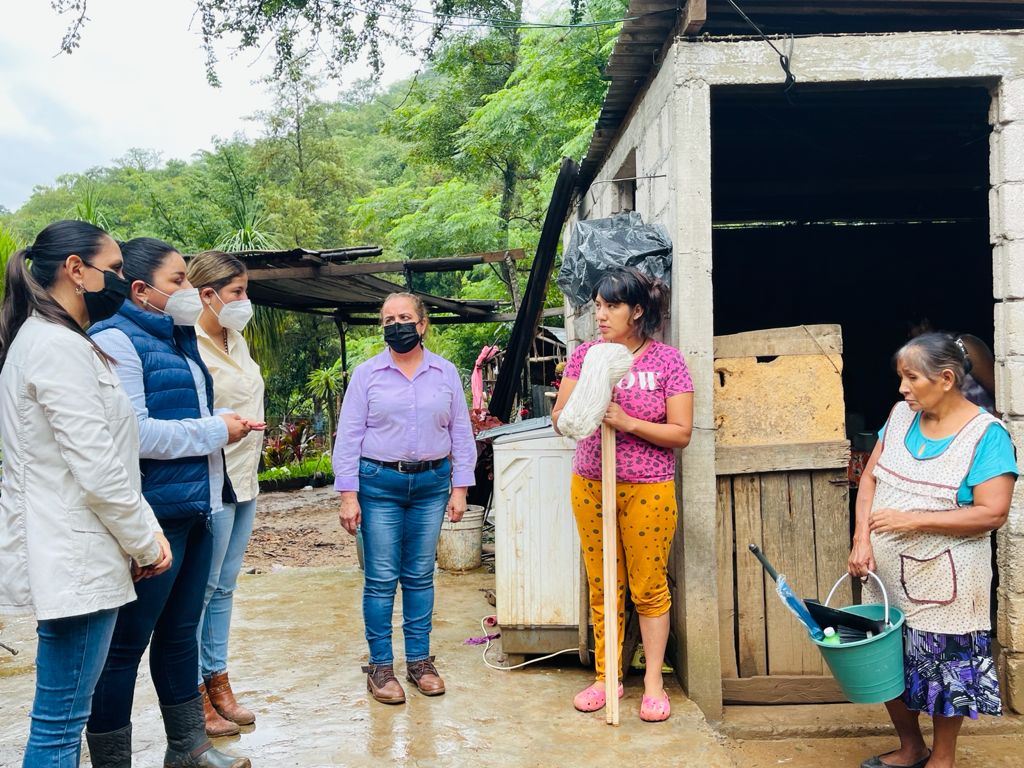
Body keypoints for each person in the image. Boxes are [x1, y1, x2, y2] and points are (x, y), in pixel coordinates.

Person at [0, 220, 173, 767]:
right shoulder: (55, 347)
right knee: (59, 726)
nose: (122, 281)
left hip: (80, 550)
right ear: (76, 270)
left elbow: (107, 457)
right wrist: (145, 542)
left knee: (60, 720)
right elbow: (97, 467)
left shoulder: (55, 342)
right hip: (75, 556)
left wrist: (139, 534)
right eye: (115, 270)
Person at [85, 238, 254, 768]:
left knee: (180, 634)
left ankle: (188, 746)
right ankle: (115, 760)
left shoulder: (178, 336)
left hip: (200, 505)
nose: (188, 289)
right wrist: (216, 430)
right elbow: (132, 434)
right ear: (140, 289)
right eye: (178, 280)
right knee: (124, 648)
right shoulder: (115, 341)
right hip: (153, 516)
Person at [848, 332, 1017, 768]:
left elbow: (991, 513)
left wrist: (912, 520)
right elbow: (870, 478)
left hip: (950, 579)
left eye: (911, 378)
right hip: (886, 572)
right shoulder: (902, 416)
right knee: (885, 661)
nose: (902, 388)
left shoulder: (986, 434)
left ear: (945, 378)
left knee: (946, 667)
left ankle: (942, 757)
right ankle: (911, 746)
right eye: (901, 377)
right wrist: (861, 539)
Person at [551, 267, 693, 722]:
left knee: (647, 587)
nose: (602, 315)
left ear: (637, 311)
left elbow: (682, 433)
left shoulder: (667, 362)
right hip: (591, 484)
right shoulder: (587, 357)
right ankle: (605, 676)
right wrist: (588, 405)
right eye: (597, 306)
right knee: (603, 584)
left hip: (648, 489)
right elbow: (560, 418)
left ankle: (652, 681)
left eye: (611, 306)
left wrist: (628, 422)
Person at [333, 292, 476, 705]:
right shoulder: (367, 375)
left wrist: (460, 488)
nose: (396, 324)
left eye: (405, 317)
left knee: (419, 575)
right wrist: (348, 496)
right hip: (378, 484)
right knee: (380, 579)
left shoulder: (445, 373)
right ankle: (380, 667)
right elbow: (349, 439)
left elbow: (461, 435)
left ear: (422, 324)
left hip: (431, 486)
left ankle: (419, 662)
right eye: (389, 318)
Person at [188, 251, 266, 736]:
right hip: (209, 481)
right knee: (200, 591)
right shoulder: (189, 343)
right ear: (207, 294)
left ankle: (219, 681)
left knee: (224, 588)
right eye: (236, 292)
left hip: (246, 478)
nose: (244, 301)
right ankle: (191, 692)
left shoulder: (234, 339)